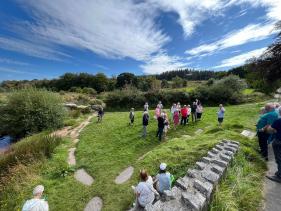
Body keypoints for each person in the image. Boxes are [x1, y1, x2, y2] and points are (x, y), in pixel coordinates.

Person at [264, 108, 281, 183]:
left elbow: (270, 130)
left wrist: (267, 128)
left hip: (279, 142)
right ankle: (279, 172)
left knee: (279, 158)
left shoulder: (278, 121)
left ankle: (280, 176)